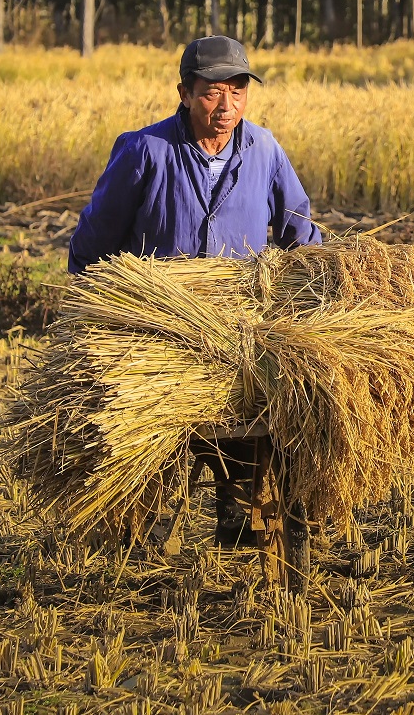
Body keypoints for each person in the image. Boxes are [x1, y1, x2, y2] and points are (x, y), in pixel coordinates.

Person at [68, 35, 321, 545]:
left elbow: (301, 235)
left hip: (239, 327)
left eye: (238, 91)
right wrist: (97, 310)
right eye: (211, 93)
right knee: (159, 434)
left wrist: (321, 285)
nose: (226, 106)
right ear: (184, 92)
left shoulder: (265, 151)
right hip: (161, 330)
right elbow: (94, 242)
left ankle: (241, 498)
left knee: (265, 413)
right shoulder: (145, 151)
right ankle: (151, 510)